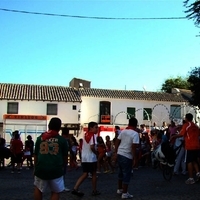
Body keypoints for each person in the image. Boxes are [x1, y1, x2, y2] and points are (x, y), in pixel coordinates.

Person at [34, 117, 68, 200]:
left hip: (41, 168)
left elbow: (36, 155)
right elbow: (65, 156)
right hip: (56, 168)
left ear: (49, 126)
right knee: (56, 191)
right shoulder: (62, 140)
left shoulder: (40, 138)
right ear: (59, 127)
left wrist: (35, 167)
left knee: (38, 189)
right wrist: (64, 166)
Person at [71, 121, 100, 197]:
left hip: (84, 157)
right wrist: (96, 153)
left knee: (85, 173)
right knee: (94, 173)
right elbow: (92, 147)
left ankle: (76, 187)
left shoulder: (85, 135)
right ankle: (94, 190)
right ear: (91, 128)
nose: (97, 129)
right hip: (91, 158)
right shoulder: (93, 136)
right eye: (96, 127)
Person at [170, 113, 200, 184]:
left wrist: (173, 136)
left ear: (186, 118)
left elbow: (181, 134)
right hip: (197, 146)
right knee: (194, 160)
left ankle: (191, 178)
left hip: (189, 146)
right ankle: (198, 173)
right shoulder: (195, 126)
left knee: (189, 162)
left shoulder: (186, 125)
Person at [114, 117, 140, 199]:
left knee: (120, 172)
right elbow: (134, 147)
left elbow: (117, 141)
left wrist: (116, 151)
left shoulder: (123, 131)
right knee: (127, 174)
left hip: (120, 153)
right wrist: (135, 158)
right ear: (135, 125)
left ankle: (120, 189)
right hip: (127, 155)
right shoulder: (135, 134)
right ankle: (125, 193)